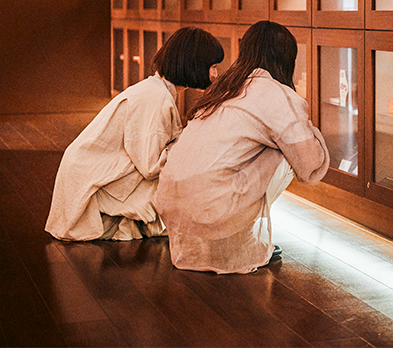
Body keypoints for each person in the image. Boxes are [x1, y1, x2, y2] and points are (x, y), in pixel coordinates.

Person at [154, 21, 329, 274]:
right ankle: (240, 238)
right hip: (213, 207)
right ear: (287, 59)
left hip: (170, 202)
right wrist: (313, 133)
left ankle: (226, 237)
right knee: (285, 148)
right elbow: (310, 166)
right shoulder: (277, 93)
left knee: (266, 143)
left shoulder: (225, 86)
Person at [45, 27, 225, 242]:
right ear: (194, 65)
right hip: (92, 183)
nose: (215, 75)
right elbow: (151, 167)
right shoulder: (156, 98)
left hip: (90, 172)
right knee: (194, 193)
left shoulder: (157, 90)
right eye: (213, 67)